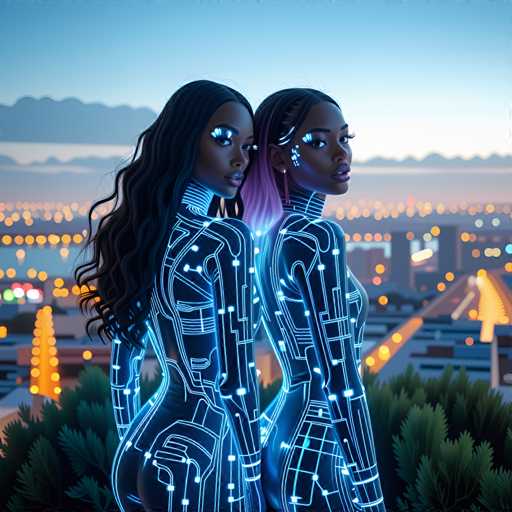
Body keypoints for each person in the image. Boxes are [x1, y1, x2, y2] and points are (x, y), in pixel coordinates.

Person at [75, 80, 264, 512]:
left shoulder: (145, 237)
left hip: (139, 447)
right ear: (184, 138)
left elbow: (123, 365)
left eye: (249, 146)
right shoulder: (225, 239)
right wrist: (252, 475)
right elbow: (235, 382)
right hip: (202, 452)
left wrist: (129, 443)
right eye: (223, 138)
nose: (240, 159)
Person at [242, 88, 385, 512]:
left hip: (285, 433)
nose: (341, 154)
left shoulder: (267, 236)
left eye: (346, 138)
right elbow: (341, 383)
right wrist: (371, 489)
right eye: (319, 142)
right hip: (321, 447)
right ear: (278, 158)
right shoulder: (315, 238)